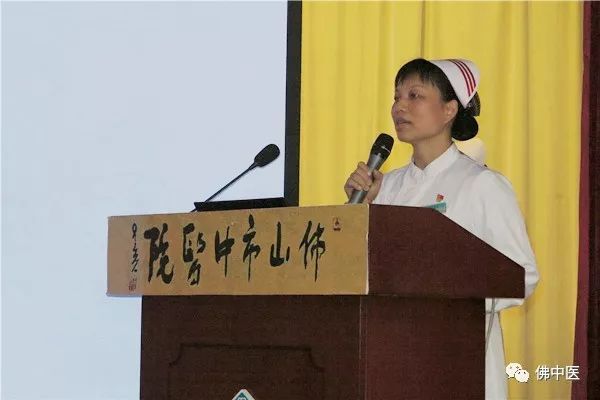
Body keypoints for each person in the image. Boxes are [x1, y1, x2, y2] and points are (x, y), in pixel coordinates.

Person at [343, 58, 540, 399]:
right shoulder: (386, 186)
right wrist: (360, 209)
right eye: (396, 96)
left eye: (415, 95)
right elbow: (359, 271)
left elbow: (523, 275)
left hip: (457, 357)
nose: (399, 106)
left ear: (449, 110)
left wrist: (448, 297)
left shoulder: (481, 184)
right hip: (392, 355)